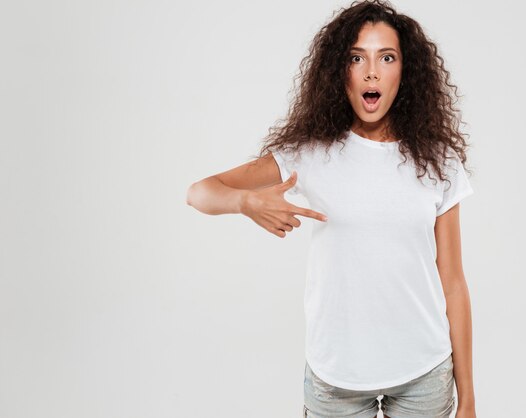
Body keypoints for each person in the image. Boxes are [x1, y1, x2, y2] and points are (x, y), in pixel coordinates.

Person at [186, 1, 477, 417]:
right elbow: (200, 192)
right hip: (336, 376)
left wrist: (467, 398)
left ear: (405, 72)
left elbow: (453, 283)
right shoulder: (310, 153)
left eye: (387, 58)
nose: (371, 72)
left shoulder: (438, 160)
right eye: (356, 58)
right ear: (338, 71)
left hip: (423, 371)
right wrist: (245, 201)